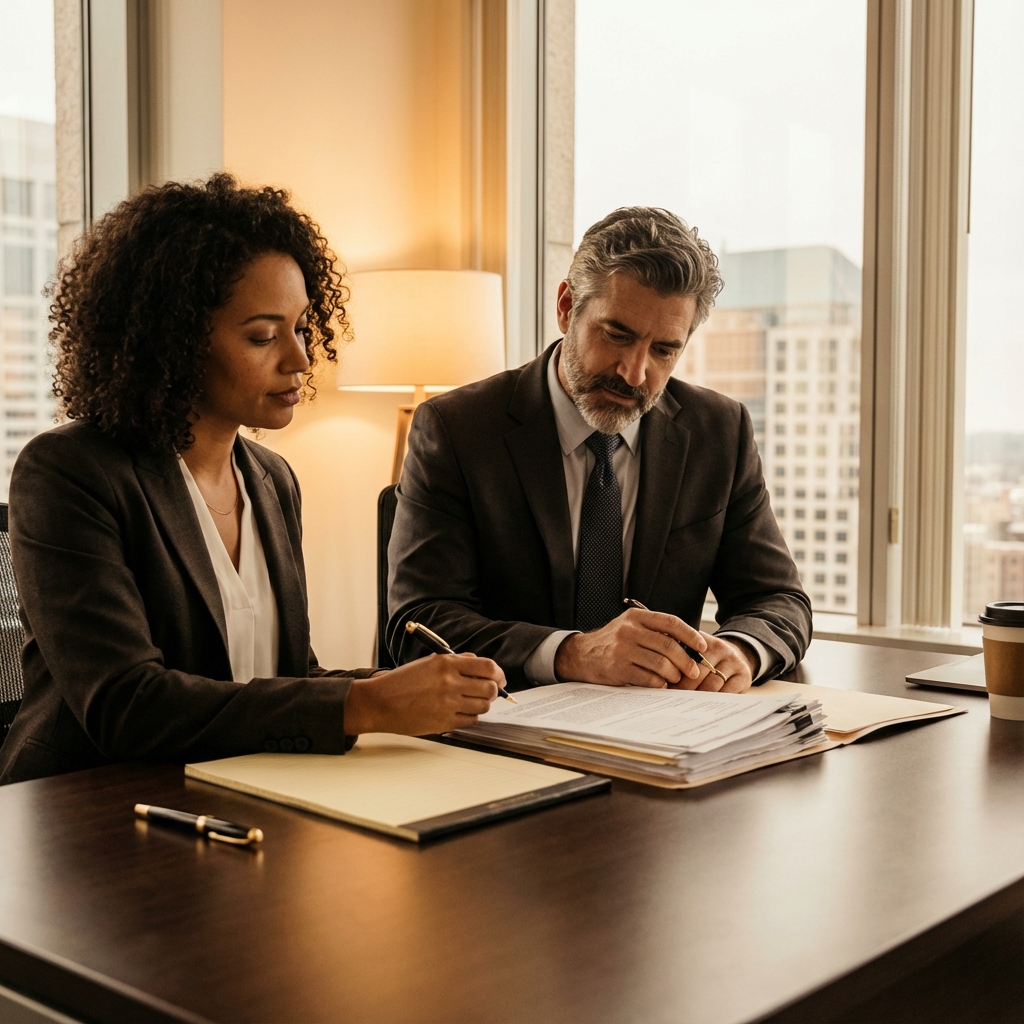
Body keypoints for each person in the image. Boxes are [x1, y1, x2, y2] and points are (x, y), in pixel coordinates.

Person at [0, 174, 504, 786]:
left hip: (241, 793)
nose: (299, 359)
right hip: (89, 811)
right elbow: (124, 705)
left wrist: (407, 689)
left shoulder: (271, 480)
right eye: (263, 336)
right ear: (175, 341)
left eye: (300, 327)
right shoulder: (70, 474)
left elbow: (285, 678)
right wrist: (366, 705)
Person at [386, 207, 811, 693]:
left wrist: (742, 650)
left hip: (667, 736)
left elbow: (779, 599)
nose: (634, 372)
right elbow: (418, 623)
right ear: (567, 306)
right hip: (510, 734)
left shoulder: (719, 431)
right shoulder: (456, 429)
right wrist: (572, 653)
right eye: (617, 335)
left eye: (663, 350)